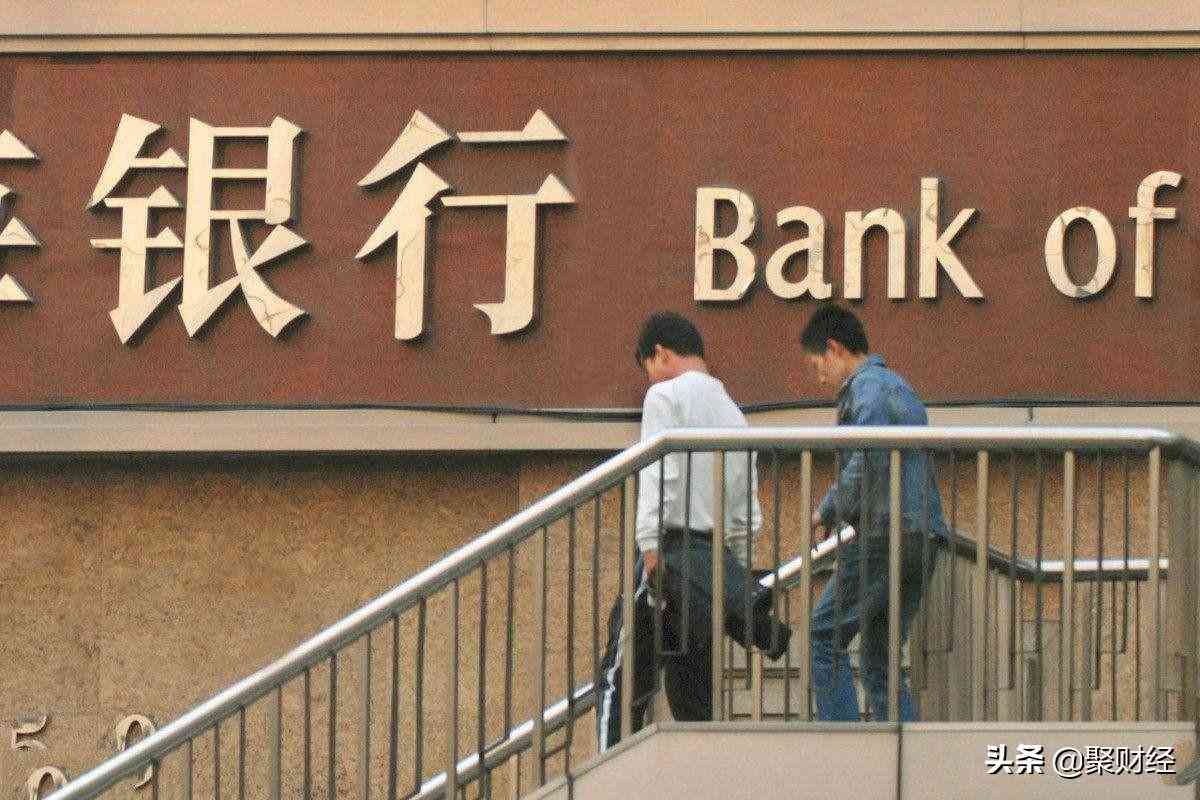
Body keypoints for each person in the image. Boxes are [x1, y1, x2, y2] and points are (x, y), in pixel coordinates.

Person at [595, 312, 790, 752]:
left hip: (670, 553)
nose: (649, 379)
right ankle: (701, 772)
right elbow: (745, 509)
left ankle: (606, 768)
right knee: (693, 688)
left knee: (619, 675)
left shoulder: (664, 396)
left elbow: (657, 472)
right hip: (710, 567)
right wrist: (733, 572)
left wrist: (649, 545)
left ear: (660, 353)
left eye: (648, 367)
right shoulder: (735, 414)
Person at [800, 303, 947, 722]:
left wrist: (829, 508)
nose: (820, 379)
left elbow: (867, 458)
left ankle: (845, 745)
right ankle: (902, 751)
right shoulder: (898, 386)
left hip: (886, 531)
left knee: (823, 634)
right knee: (880, 656)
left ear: (834, 349)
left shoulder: (866, 389)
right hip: (922, 535)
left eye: (817, 367)